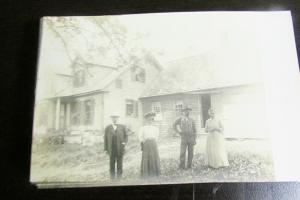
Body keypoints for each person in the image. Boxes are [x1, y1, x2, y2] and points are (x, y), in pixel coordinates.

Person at [104, 114, 128, 179]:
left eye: (116, 118)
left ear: (118, 118)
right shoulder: (107, 127)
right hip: (111, 149)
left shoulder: (123, 127)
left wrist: (124, 143)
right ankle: (112, 178)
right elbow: (105, 139)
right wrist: (106, 149)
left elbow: (126, 136)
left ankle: (119, 178)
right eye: (113, 118)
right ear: (111, 119)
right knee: (112, 164)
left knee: (120, 163)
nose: (114, 119)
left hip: (120, 148)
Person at [173, 105, 197, 169]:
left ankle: (189, 165)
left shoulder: (192, 119)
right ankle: (182, 166)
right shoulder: (180, 118)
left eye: (188, 110)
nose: (187, 112)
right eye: (186, 110)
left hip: (191, 137)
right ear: (183, 111)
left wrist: (195, 139)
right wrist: (178, 132)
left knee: (191, 152)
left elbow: (195, 130)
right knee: (182, 152)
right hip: (184, 137)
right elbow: (174, 125)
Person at [139, 111, 161, 178]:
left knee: (154, 157)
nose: (150, 121)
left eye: (151, 120)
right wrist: (143, 141)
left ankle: (154, 172)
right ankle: (146, 172)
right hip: (146, 144)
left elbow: (157, 136)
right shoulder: (143, 128)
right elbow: (140, 137)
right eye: (148, 120)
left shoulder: (155, 128)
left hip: (153, 143)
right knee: (146, 157)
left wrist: (154, 141)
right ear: (146, 120)